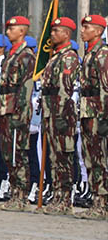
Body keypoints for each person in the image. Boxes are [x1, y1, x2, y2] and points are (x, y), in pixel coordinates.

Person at [38, 16, 81, 215]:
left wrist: (62, 113)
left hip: (62, 112)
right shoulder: (54, 56)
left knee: (63, 156)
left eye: (56, 31)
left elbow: (65, 88)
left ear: (67, 33)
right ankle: (56, 195)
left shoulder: (69, 57)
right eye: (52, 30)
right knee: (54, 157)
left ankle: (65, 199)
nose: (52, 34)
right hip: (51, 111)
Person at [0, 16, 36, 211]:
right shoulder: (9, 54)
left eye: (12, 29)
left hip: (16, 110)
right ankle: (13, 192)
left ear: (22, 31)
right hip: (5, 108)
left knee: (17, 153)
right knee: (7, 152)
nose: (8, 32)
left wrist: (21, 112)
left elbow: (26, 86)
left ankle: (21, 195)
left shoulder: (26, 55)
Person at [77, 13, 107, 219]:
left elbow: (106, 87)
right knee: (90, 157)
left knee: (100, 158)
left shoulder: (102, 54)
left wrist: (105, 116)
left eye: (87, 28)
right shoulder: (89, 53)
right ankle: (96, 198)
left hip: (98, 112)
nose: (82, 31)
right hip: (88, 111)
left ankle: (102, 202)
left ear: (98, 31)